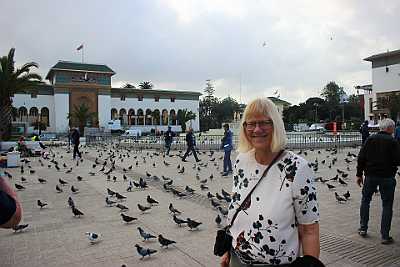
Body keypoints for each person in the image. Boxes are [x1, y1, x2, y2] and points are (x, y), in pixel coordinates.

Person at [221, 98, 320, 267]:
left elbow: (309, 230)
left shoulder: (297, 168)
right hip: (237, 259)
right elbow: (236, 205)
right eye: (251, 123)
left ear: (276, 125)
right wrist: (227, 251)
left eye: (264, 122)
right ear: (244, 128)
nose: (257, 129)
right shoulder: (241, 162)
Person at [356, 118, 400, 244]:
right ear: (390, 128)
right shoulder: (393, 141)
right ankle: (385, 236)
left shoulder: (370, 139)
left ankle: (363, 228)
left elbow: (361, 158)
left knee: (365, 201)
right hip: (387, 177)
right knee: (387, 205)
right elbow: (398, 160)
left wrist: (359, 174)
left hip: (370, 176)